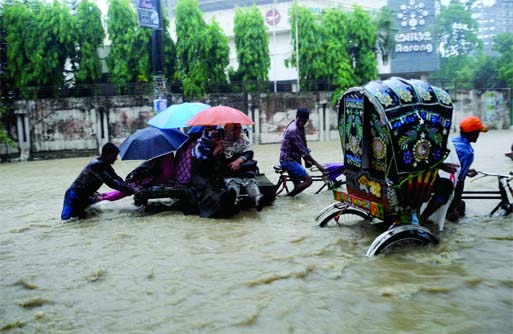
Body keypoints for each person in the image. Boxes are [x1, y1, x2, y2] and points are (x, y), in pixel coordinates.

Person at [61, 143, 138, 220]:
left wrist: (130, 187)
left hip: (88, 196)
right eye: (114, 156)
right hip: (74, 195)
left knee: (87, 220)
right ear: (107, 155)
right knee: (66, 219)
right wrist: (132, 190)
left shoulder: (106, 165)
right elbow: (111, 183)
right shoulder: (96, 165)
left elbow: (117, 178)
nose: (116, 158)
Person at [446, 116, 488, 221]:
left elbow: (452, 164)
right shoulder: (467, 152)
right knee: (459, 208)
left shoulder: (453, 141)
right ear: (472, 133)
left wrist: (466, 171)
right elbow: (460, 181)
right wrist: (453, 207)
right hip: (449, 188)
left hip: (442, 180)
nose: (478, 135)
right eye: (478, 132)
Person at [190, 127, 237, 218]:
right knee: (209, 189)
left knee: (222, 185)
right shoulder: (199, 146)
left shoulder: (219, 145)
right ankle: (215, 209)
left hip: (214, 175)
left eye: (218, 137)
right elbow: (204, 166)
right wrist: (215, 152)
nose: (216, 139)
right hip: (200, 176)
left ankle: (227, 203)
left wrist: (223, 152)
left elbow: (222, 164)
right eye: (214, 137)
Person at [279, 107, 326, 197]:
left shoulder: (300, 127)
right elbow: (303, 150)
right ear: (297, 117)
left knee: (298, 186)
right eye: (300, 120)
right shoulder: (293, 130)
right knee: (308, 181)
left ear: (307, 120)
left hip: (295, 158)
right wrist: (319, 166)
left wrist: (306, 160)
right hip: (288, 160)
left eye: (304, 121)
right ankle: (287, 198)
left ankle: (292, 199)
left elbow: (303, 145)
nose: (301, 123)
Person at [220, 123, 263, 211]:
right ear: (229, 130)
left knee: (250, 183)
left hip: (244, 170)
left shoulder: (243, 138)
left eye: (240, 129)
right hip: (230, 173)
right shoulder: (221, 141)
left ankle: (257, 199)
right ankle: (233, 203)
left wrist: (239, 161)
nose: (238, 131)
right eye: (235, 129)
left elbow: (249, 153)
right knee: (233, 187)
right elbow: (221, 159)